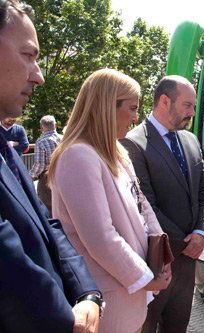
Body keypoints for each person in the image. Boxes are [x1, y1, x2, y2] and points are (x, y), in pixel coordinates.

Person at [0, 1, 103, 332]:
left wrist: (88, 293)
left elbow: (48, 226)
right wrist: (67, 319)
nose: (39, 75)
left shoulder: (8, 151)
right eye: (28, 56)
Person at [49, 69, 172, 333]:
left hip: (128, 293)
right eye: (131, 108)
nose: (136, 117)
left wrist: (162, 253)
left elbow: (143, 205)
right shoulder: (78, 156)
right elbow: (101, 238)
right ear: (106, 106)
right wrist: (145, 277)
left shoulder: (115, 153)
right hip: (109, 298)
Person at [121, 75, 204, 333]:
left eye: (194, 107)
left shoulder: (190, 140)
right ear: (164, 101)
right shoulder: (133, 143)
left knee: (177, 327)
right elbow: (144, 204)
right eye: (187, 105)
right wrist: (184, 241)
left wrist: (201, 233)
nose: (192, 113)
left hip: (188, 261)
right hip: (157, 261)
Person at [29, 115, 62, 214]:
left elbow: (40, 165)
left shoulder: (41, 142)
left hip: (47, 178)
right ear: (55, 125)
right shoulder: (65, 139)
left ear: (41, 127)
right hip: (64, 174)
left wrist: (30, 176)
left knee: (48, 209)